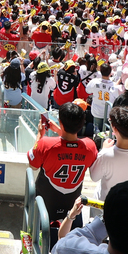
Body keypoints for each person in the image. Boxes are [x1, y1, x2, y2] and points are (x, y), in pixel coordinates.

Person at [28, 102, 97, 241]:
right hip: (71, 207)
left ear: (60, 121)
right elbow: (74, 145)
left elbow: (33, 165)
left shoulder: (46, 144)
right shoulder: (90, 146)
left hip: (45, 204)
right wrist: (61, 131)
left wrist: (39, 136)